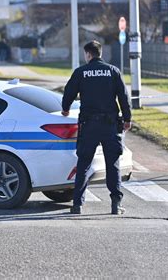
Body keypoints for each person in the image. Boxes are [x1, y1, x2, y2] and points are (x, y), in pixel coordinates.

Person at [62, 40, 132, 215]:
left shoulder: (81, 72)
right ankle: (115, 205)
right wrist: (128, 118)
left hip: (89, 125)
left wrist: (65, 108)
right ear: (101, 53)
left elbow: (69, 91)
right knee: (112, 164)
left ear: (88, 54)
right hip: (110, 125)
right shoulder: (113, 71)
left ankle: (77, 205)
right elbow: (123, 96)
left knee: (84, 163)